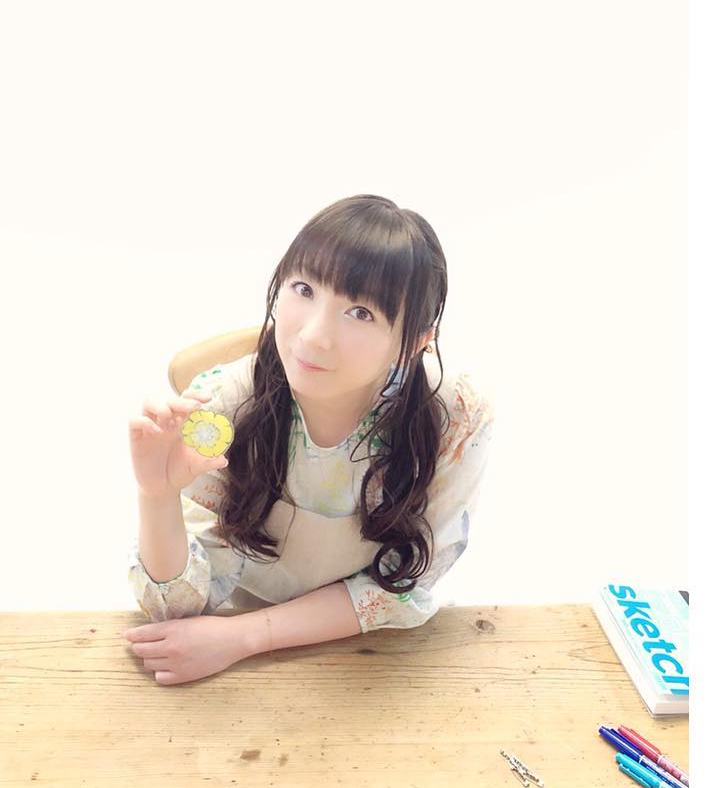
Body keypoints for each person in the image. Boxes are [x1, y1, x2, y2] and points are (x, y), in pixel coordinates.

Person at [123, 193, 495, 685]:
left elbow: (406, 584)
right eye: (303, 289)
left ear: (415, 343)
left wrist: (245, 637)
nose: (315, 336)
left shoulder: (455, 415)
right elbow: (176, 612)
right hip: (245, 652)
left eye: (361, 312)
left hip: (372, 658)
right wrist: (156, 494)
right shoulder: (226, 403)